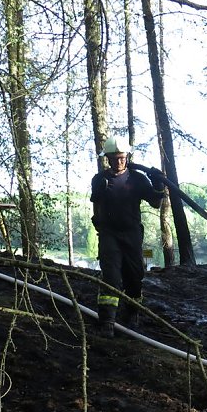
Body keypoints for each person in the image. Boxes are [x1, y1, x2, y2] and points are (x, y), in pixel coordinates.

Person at [90, 135, 165, 338]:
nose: (119, 161)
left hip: (132, 234)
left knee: (134, 276)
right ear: (107, 158)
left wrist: (158, 185)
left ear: (127, 156)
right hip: (109, 234)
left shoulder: (138, 179)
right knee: (111, 276)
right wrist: (98, 224)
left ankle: (132, 315)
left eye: (122, 157)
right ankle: (106, 321)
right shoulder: (100, 179)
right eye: (114, 158)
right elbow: (95, 203)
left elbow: (156, 203)